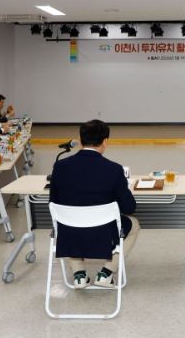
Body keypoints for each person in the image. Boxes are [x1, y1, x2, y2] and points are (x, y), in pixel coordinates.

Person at [49, 119, 139, 288]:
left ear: (80, 140)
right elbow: (129, 207)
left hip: (69, 232)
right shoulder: (114, 169)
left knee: (67, 222)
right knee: (134, 224)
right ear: (105, 141)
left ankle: (79, 275)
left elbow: (53, 202)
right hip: (104, 234)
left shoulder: (60, 166)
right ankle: (106, 273)